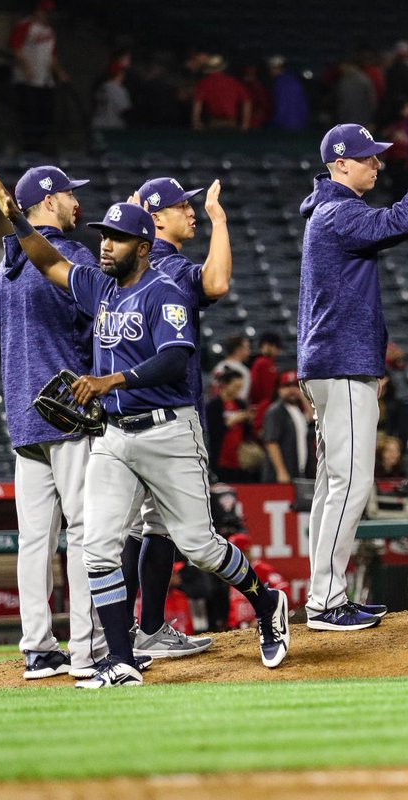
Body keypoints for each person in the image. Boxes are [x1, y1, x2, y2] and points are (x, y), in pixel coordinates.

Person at [0, 172, 289, 686]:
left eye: (117, 238)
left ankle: (266, 602)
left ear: (143, 247)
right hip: (114, 437)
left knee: (200, 547)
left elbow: (174, 359)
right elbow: (50, 262)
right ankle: (120, 660)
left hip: (169, 433)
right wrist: (16, 219)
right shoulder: (99, 287)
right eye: (103, 236)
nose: (105, 245)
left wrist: (112, 379)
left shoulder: (164, 291)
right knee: (98, 546)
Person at [298, 111, 408, 632]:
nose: (377, 164)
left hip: (331, 362)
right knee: (352, 483)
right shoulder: (336, 212)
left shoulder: (328, 211)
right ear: (340, 165)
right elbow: (398, 222)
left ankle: (323, 594)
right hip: (340, 363)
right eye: (367, 158)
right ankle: (326, 601)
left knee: (332, 484)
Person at [0, 165, 106, 682]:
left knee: (35, 539)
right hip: (68, 412)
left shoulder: (5, 267)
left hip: (23, 415)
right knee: (85, 531)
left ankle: (38, 649)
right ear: (47, 201)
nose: (75, 202)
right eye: (67, 193)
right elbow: (99, 329)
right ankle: (88, 649)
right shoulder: (71, 257)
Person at [119, 174, 233, 661]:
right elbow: (218, 282)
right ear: (156, 218)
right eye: (180, 206)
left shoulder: (128, 269)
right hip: (167, 416)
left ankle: (126, 633)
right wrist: (219, 221)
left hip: (125, 415)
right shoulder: (168, 267)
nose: (190, 211)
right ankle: (138, 631)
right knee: (160, 529)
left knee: (136, 528)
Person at [9, 1, 65, 150]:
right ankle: (29, 148)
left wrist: (59, 71)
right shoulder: (25, 25)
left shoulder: (49, 31)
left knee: (46, 115)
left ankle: (41, 146)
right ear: (38, 11)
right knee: (29, 116)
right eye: (45, 12)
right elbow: (15, 47)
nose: (48, 15)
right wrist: (26, 67)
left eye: (50, 12)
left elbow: (51, 55)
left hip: (45, 80)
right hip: (26, 80)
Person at [261, 371, 313, 483]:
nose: (292, 390)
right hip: (279, 476)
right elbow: (271, 442)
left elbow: (313, 418)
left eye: (295, 386)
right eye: (287, 386)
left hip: (298, 470)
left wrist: (303, 396)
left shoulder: (298, 410)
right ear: (279, 390)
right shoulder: (275, 411)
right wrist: (281, 471)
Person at [192, 55, 250, 130]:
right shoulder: (233, 82)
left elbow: (197, 103)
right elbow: (247, 102)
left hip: (213, 122)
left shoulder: (204, 83)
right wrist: (245, 123)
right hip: (231, 122)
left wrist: (196, 122)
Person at [213, 334, 250, 402]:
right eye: (247, 348)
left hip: (218, 405)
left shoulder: (219, 366)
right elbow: (242, 397)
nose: (249, 351)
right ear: (238, 350)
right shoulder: (243, 371)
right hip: (234, 407)